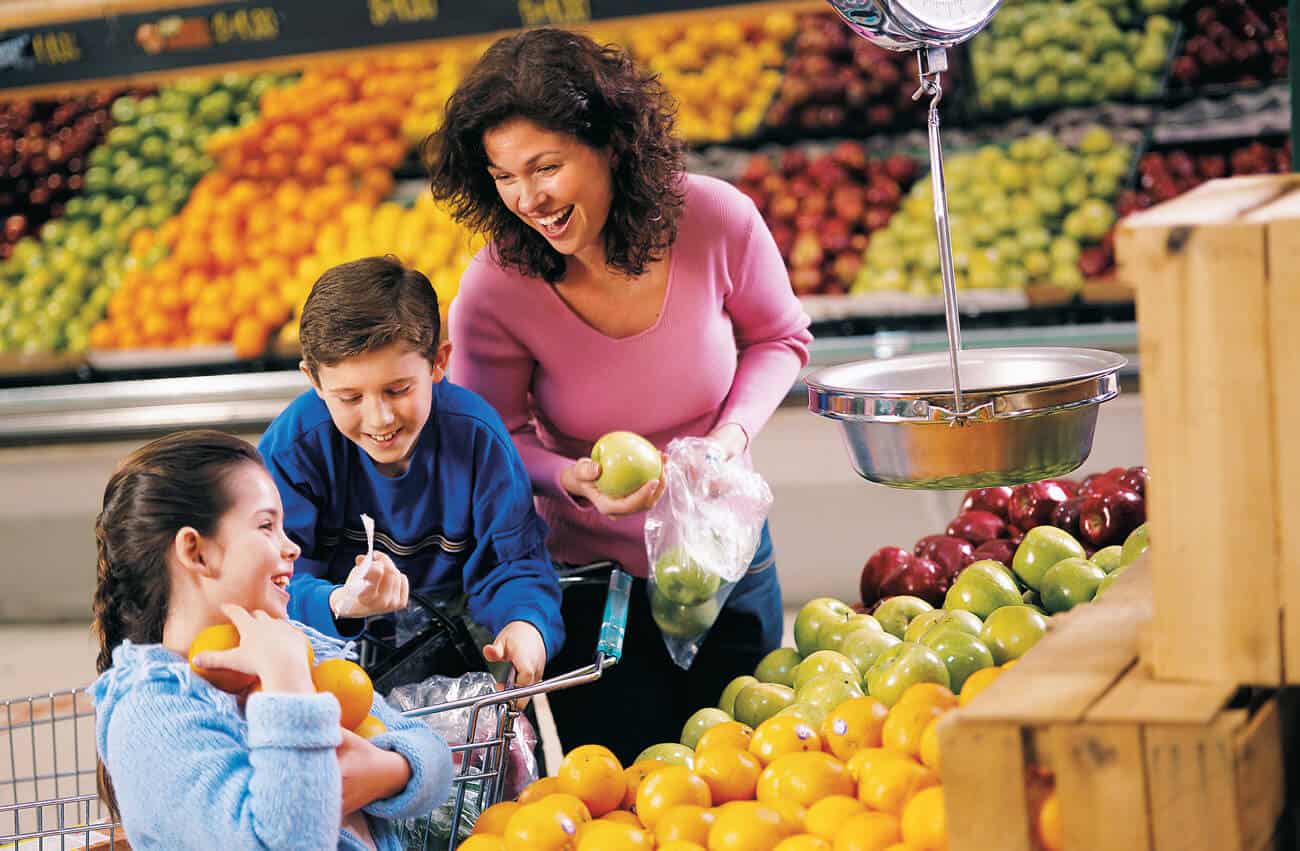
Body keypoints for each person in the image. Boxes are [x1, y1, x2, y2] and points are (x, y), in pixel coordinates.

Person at [425, 28, 813, 764]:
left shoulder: (716, 219)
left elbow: (780, 339)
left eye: (546, 166)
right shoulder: (495, 287)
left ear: (609, 143)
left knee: (759, 778)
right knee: (624, 793)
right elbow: (491, 435)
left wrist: (727, 441)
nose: (528, 198)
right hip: (589, 585)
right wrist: (567, 479)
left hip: (723, 555)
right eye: (503, 176)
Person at [90, 430, 453, 850]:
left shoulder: (299, 648)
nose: (292, 547)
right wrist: (286, 684)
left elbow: (435, 755)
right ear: (196, 551)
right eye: (266, 526)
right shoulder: (152, 713)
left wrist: (391, 770)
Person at [257, 256, 564, 690]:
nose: (379, 418)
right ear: (314, 380)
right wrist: (340, 601)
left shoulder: (477, 440)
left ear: (438, 362)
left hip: (456, 672)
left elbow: (513, 565)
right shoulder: (294, 449)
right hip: (323, 678)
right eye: (350, 397)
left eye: (397, 390)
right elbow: (266, 579)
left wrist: (525, 626)